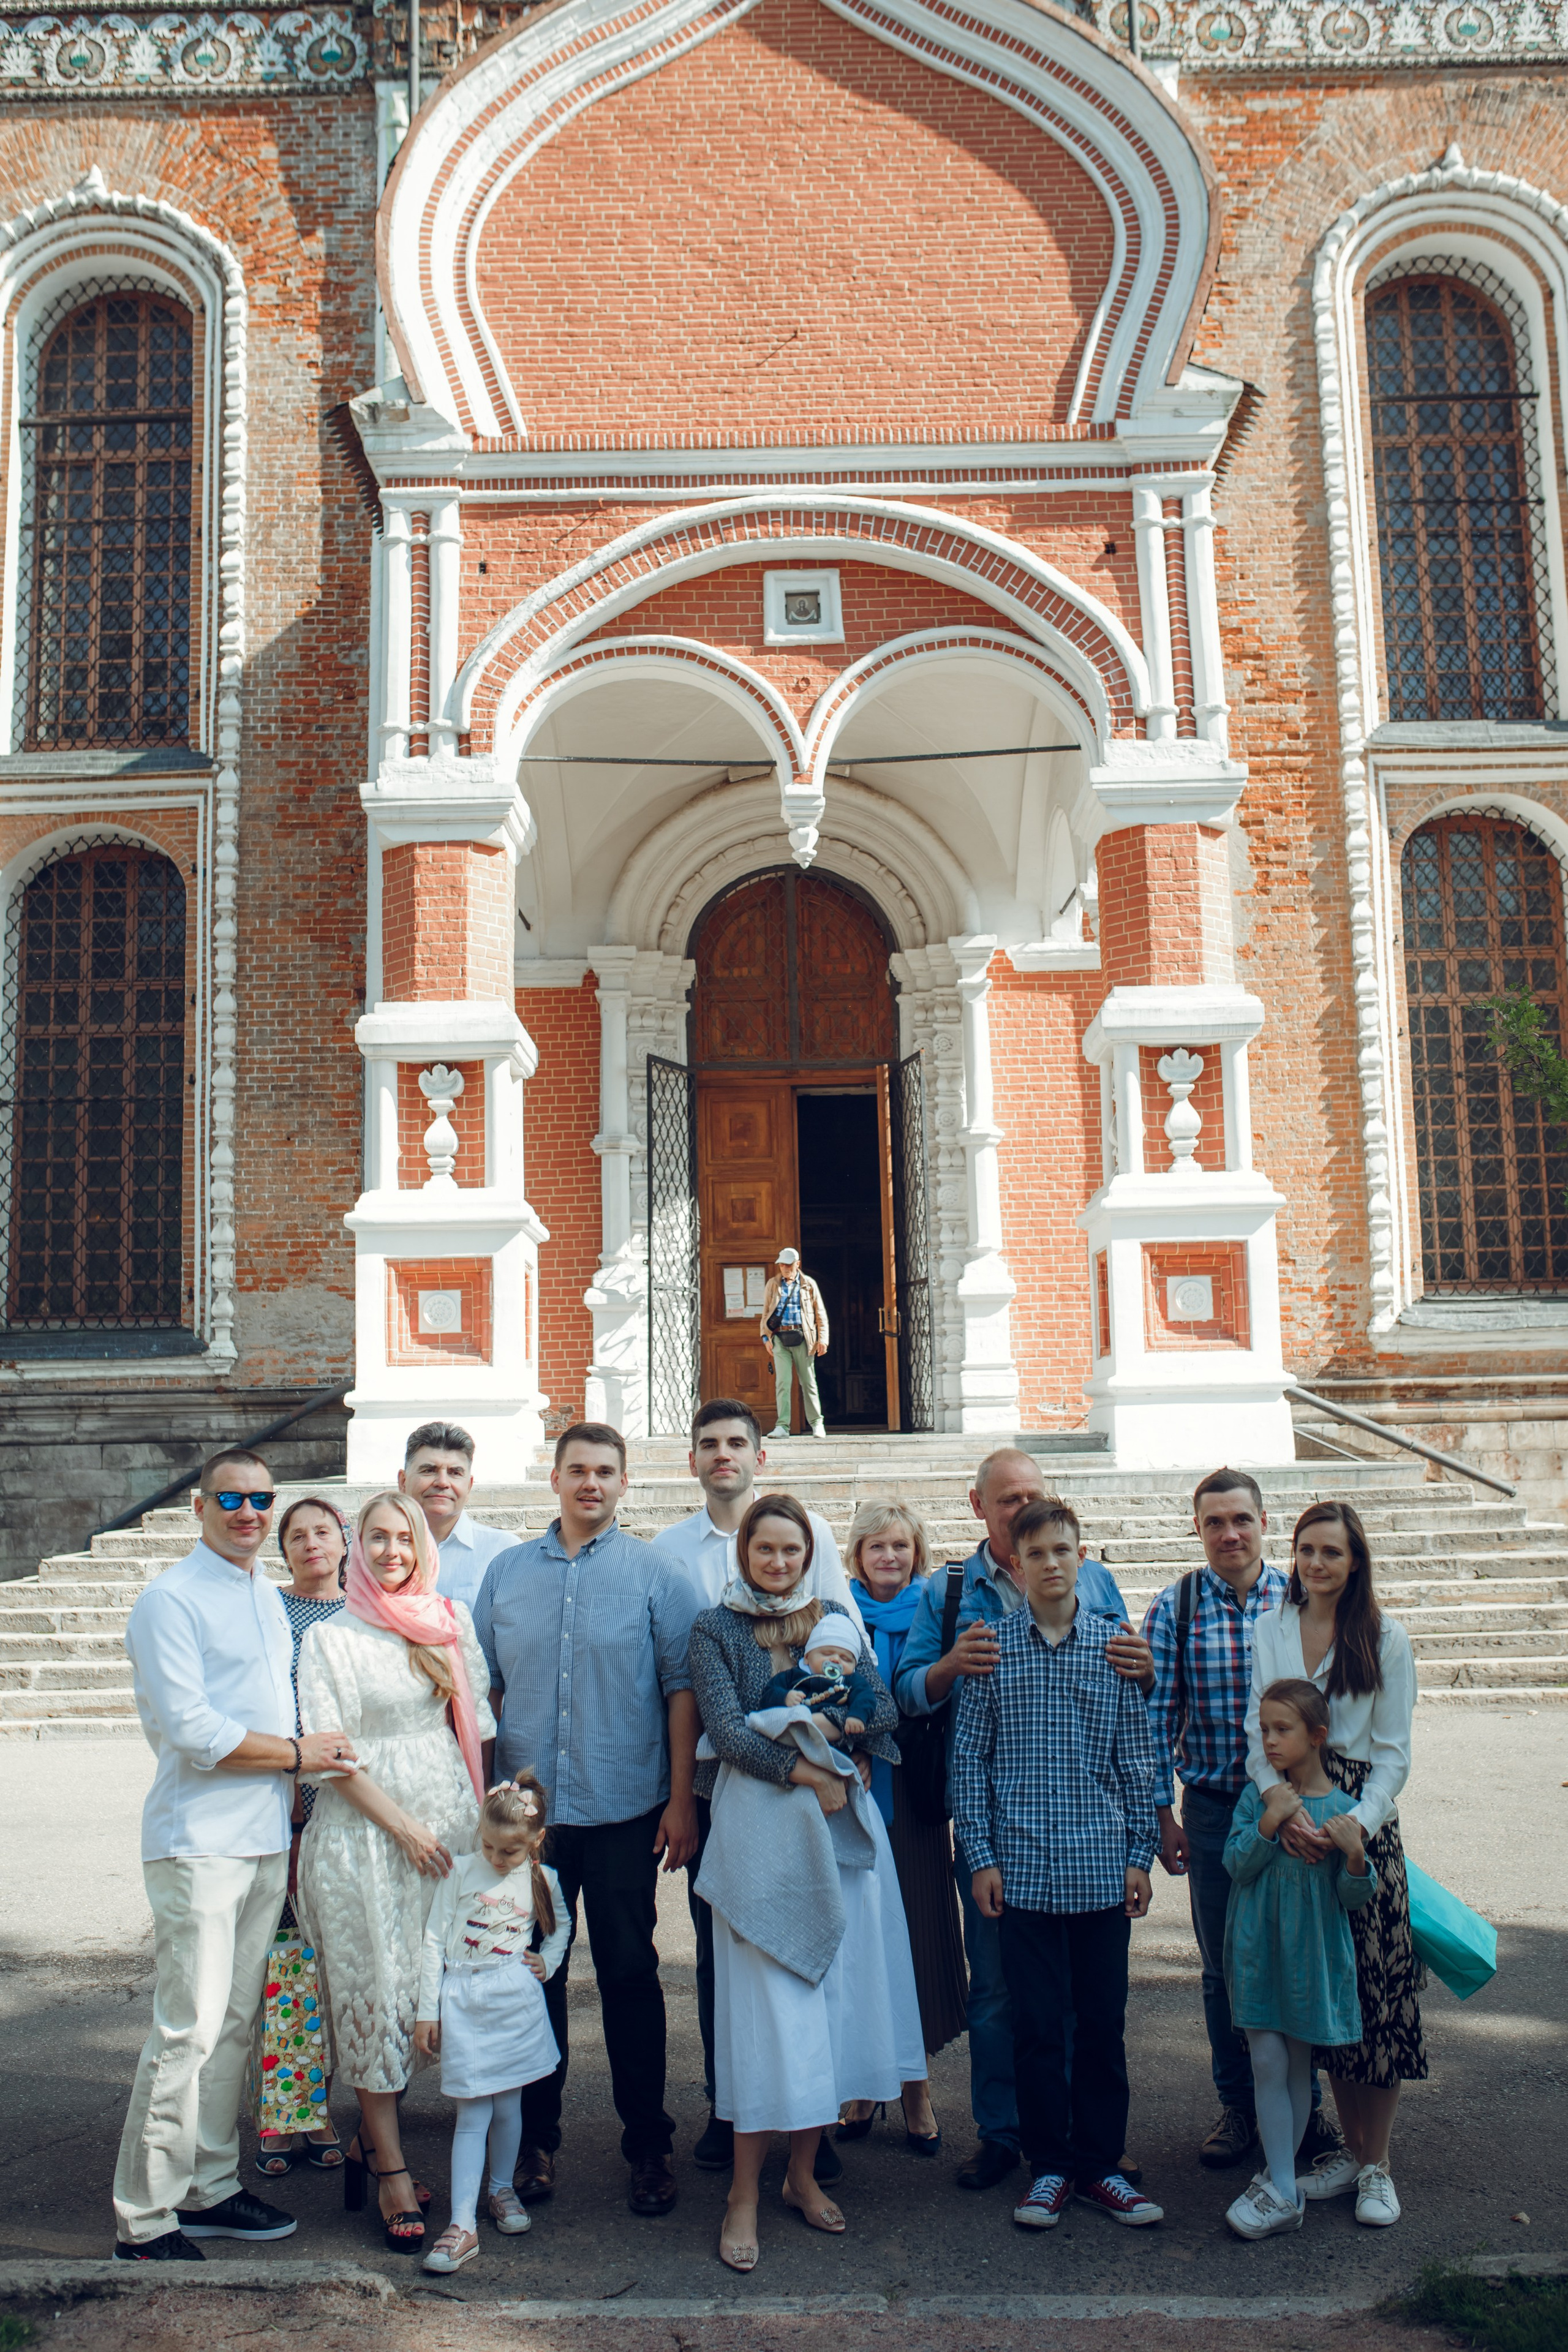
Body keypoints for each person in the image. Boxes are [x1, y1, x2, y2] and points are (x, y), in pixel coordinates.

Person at [111, 1447, 357, 2261]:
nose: (248, 1512)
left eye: (260, 1498)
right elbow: (194, 1731)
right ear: (199, 1507)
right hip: (198, 1842)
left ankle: (209, 2187)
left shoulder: (262, 1594)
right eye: (230, 1499)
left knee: (233, 2028)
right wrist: (297, 1756)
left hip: (262, 1839)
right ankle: (145, 2217)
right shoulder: (170, 1600)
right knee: (186, 2030)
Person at [894, 1450, 1151, 2192]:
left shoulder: (1093, 1582)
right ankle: (1005, 2135)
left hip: (1089, 1836)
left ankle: (1081, 2141)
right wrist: (952, 1665)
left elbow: (1128, 1699)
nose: (1022, 1510)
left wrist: (1144, 1669)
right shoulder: (951, 1590)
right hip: (1006, 1834)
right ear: (980, 1506)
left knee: (1084, 2003)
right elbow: (908, 1691)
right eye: (1008, 1500)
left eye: (1034, 1496)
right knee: (1001, 1993)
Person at [687, 1493, 927, 2273]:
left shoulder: (833, 1616)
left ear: (808, 1555)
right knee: (768, 2017)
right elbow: (726, 1732)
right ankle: (742, 2194)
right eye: (765, 1549)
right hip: (759, 1835)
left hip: (836, 1839)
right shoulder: (715, 1628)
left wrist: (833, 1735)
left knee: (827, 2010)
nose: (778, 1562)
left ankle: (800, 2175)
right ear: (744, 1553)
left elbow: (881, 1709)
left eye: (791, 1550)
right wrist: (809, 1769)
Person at [472, 1422, 700, 2218]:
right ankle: (535, 2142)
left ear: (623, 1482)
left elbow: (681, 1691)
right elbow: (485, 1690)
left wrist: (680, 1801)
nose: (591, 1483)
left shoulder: (656, 1574)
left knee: (630, 1974)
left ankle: (649, 2146)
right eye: (578, 1470)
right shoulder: (505, 1574)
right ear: (557, 1479)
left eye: (605, 1471)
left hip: (623, 1810)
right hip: (529, 1825)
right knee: (532, 1976)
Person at [651, 1397, 863, 2176]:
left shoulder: (813, 1536)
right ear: (693, 1459)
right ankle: (727, 2105)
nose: (723, 1455)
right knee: (724, 1953)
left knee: (811, 1936)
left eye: (736, 1442)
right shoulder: (669, 1551)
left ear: (758, 1456)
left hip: (809, 1789)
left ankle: (815, 2117)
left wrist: (842, 1737)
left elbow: (845, 1644)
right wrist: (681, 1796)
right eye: (708, 1443)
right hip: (722, 1785)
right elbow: (681, 1687)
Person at [953, 1501, 1163, 2233]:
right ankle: (1047, 2167)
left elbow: (1138, 1759)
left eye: (1062, 1551)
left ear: (1082, 1557)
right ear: (1014, 1565)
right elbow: (968, 1762)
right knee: (1036, 2027)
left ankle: (1101, 2166)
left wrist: (1139, 1854)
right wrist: (980, 1858)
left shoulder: (1113, 1648)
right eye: (1035, 1553)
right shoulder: (992, 1650)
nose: (1050, 1563)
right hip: (1022, 1872)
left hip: (1100, 1868)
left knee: (1101, 2025)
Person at [296, 1490, 495, 2254]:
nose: (391, 1552)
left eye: (404, 1539)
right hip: (365, 1840)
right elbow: (331, 1757)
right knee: (377, 1997)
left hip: (446, 1841)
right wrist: (405, 1827)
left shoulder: (447, 1622)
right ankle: (391, 2171)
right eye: (376, 1538)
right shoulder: (331, 1638)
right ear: (357, 1547)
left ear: (422, 1546)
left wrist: (480, 1833)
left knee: (426, 1997)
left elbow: (477, 1729)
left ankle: (368, 2146)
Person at [1141, 1467, 1342, 2177]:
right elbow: (1154, 1720)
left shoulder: (1299, 1599)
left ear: (1264, 1523)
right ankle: (1238, 2107)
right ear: (1197, 1530)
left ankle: (1304, 2110)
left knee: (1299, 1957)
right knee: (1225, 1966)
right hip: (1214, 1809)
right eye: (1214, 1523)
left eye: (1241, 1520)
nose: (1229, 1534)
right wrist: (1161, 1815)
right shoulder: (1176, 1607)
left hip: (1297, 1807)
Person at [1243, 1502, 1423, 2229]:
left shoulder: (1384, 1638)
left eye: (1332, 1553)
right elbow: (1256, 1729)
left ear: (1355, 1563)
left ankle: (1378, 2166)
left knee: (1375, 1999)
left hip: (1356, 1822)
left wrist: (1356, 1826)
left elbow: (1393, 1754)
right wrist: (1279, 1803)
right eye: (1306, 1550)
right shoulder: (1271, 1627)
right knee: (1323, 1998)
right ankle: (1349, 2152)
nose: (1316, 1564)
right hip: (1292, 1812)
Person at [1221, 1679, 1376, 2241]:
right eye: (1264, 1729)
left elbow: (1354, 1897)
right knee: (1266, 2060)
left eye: (1282, 1729)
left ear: (1317, 1736)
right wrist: (1270, 1821)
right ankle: (1285, 2189)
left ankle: (1279, 2178)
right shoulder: (1258, 1799)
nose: (1269, 1741)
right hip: (1258, 1952)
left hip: (1309, 1959)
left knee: (1296, 2067)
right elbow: (1237, 1864)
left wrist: (1354, 1856)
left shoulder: (1345, 1810)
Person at [841, 1499, 964, 2151]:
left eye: (900, 1546)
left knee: (915, 1940)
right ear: (857, 1555)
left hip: (915, 1799)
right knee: (861, 1941)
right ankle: (865, 2084)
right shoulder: (838, 1612)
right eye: (876, 1546)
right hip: (853, 1797)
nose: (889, 1556)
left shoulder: (935, 1611)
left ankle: (916, 2089)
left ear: (918, 1553)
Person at [413, 1772, 571, 2274]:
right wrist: (428, 2010)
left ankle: (502, 2190)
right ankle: (462, 2223)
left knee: (508, 2106)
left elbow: (562, 1925)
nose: (497, 1859)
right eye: (488, 1846)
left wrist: (549, 1960)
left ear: (536, 1841)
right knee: (473, 2112)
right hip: (464, 1999)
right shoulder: (460, 1872)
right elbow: (434, 1940)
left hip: (515, 2001)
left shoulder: (543, 1879)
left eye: (510, 1851)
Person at [252, 1495, 352, 2180]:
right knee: (290, 1964)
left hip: (351, 1809)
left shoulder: (365, 1612)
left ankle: (322, 2106)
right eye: (297, 1535)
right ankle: (286, 2112)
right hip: (285, 1804)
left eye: (324, 1531)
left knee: (337, 1966)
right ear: (282, 1548)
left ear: (344, 1541)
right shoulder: (269, 1612)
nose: (312, 1543)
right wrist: (292, 1805)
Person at [401, 1420, 518, 1613]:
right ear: (403, 1481)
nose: (442, 1482)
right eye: (429, 1470)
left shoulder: (504, 1552)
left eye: (455, 1473)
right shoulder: (375, 1550)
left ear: (469, 1486)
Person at [759, 1615, 878, 1733]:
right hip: (792, 1728)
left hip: (831, 1734)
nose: (836, 1660)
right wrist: (784, 1698)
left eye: (845, 1659)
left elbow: (866, 1697)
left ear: (854, 1667)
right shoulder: (793, 1676)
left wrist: (857, 1716)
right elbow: (768, 1693)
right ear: (807, 1658)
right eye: (827, 1654)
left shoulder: (851, 1681)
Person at [759, 1246, 828, 1439]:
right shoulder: (773, 1284)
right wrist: (765, 1338)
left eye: (789, 1265)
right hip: (779, 1338)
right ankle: (782, 1426)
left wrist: (823, 1339)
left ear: (798, 1264)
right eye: (782, 1265)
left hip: (804, 1338)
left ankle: (817, 1423)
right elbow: (765, 1313)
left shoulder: (809, 1284)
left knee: (808, 1382)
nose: (785, 1268)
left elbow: (820, 1314)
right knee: (783, 1383)